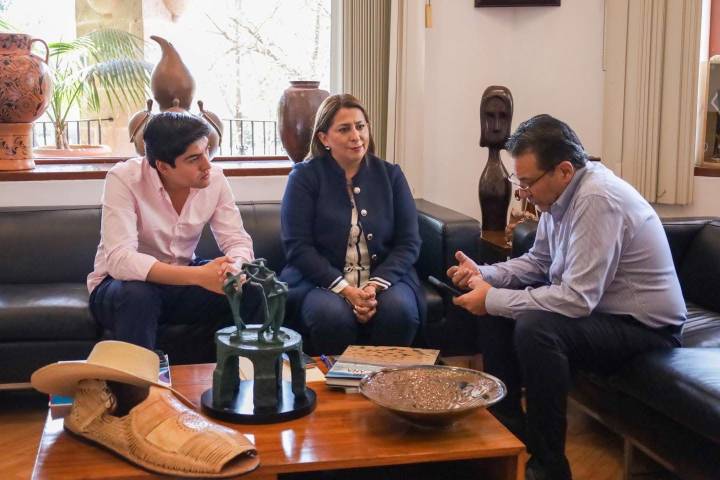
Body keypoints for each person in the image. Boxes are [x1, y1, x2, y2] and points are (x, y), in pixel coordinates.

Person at [448, 114, 686, 480]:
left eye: (528, 182)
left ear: (563, 170)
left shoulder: (598, 199)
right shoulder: (558, 197)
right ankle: (508, 430)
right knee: (495, 308)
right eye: (519, 182)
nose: (523, 192)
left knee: (535, 328)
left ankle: (549, 466)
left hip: (646, 328)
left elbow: (576, 299)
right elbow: (539, 261)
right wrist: (484, 275)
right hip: (602, 312)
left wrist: (492, 297)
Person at [87, 112, 254, 354]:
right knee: (138, 296)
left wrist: (234, 267)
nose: (207, 165)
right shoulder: (123, 179)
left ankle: (242, 373)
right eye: (194, 159)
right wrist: (198, 276)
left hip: (182, 278)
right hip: (121, 286)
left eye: (207, 151)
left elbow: (237, 240)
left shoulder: (215, 179)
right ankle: (139, 379)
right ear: (163, 166)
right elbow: (120, 260)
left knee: (252, 287)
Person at [280, 93, 424, 355]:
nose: (356, 136)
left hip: (385, 278)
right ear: (324, 138)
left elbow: (409, 242)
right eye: (344, 129)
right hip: (320, 281)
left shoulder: (391, 175)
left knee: (399, 312)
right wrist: (345, 289)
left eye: (360, 126)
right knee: (331, 316)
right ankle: (337, 381)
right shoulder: (304, 178)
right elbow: (298, 247)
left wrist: (373, 286)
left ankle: (387, 379)